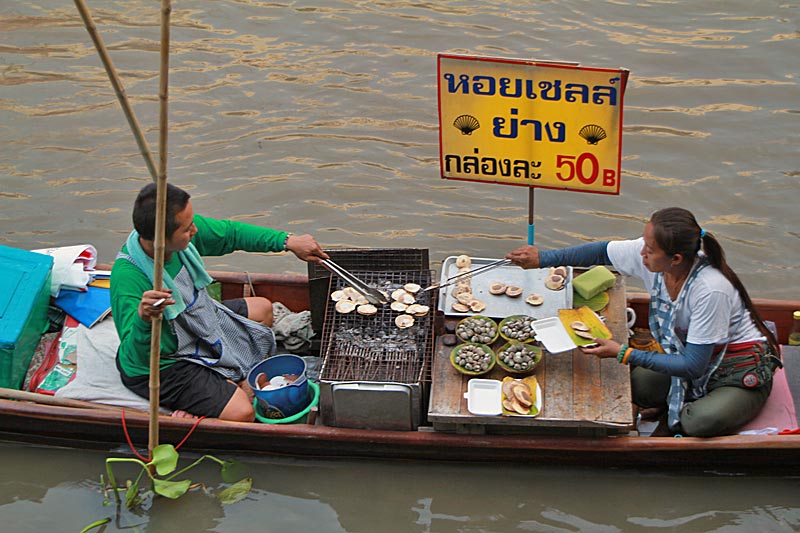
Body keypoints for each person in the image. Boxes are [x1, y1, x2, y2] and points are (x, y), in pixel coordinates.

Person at [505, 207, 781, 437]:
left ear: (675, 259)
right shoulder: (654, 258)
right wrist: (543, 258)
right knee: (639, 385)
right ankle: (675, 401)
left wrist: (623, 352)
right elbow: (601, 252)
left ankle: (714, 403)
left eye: (649, 250)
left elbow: (693, 365)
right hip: (692, 356)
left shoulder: (710, 290)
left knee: (698, 422)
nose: (641, 254)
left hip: (735, 368)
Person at [111, 182, 329, 422]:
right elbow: (139, 354)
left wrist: (288, 241)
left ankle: (231, 379)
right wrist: (145, 319)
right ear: (161, 239)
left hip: (197, 323)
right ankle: (223, 388)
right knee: (243, 412)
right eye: (186, 228)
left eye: (192, 222)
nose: (195, 230)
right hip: (164, 362)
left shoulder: (184, 234)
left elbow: (231, 234)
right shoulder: (129, 278)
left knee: (263, 309)